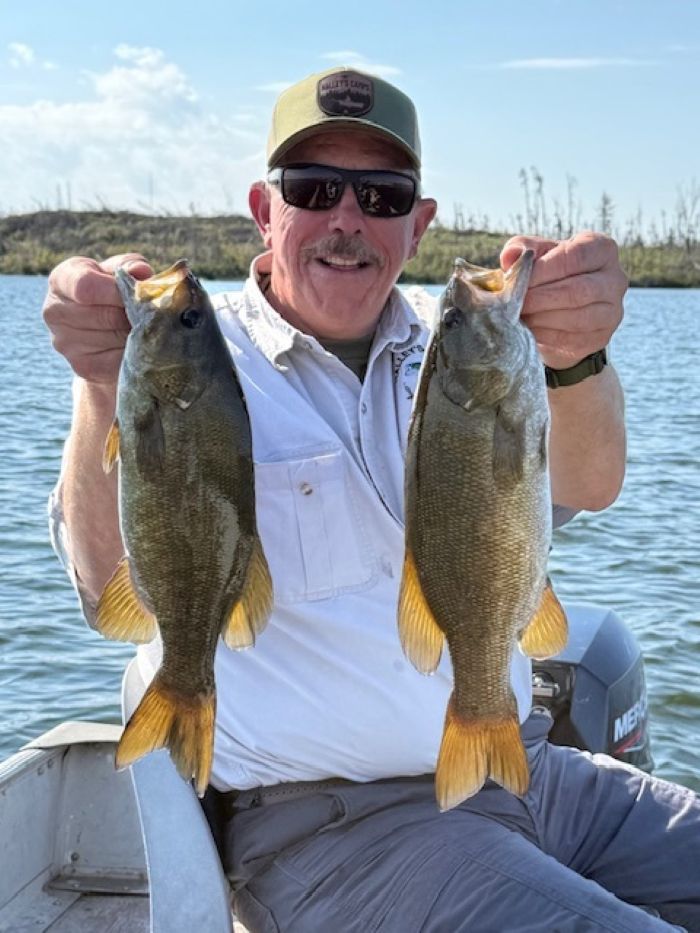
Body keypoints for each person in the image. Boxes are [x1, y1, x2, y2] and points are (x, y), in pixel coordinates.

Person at [43, 67, 699, 932]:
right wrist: (100, 380)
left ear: (418, 223)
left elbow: (591, 483)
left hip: (528, 765)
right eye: (313, 188)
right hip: (338, 830)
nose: (347, 218)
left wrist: (577, 355)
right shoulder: (200, 352)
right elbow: (104, 585)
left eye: (381, 195)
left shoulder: (458, 340)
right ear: (264, 209)